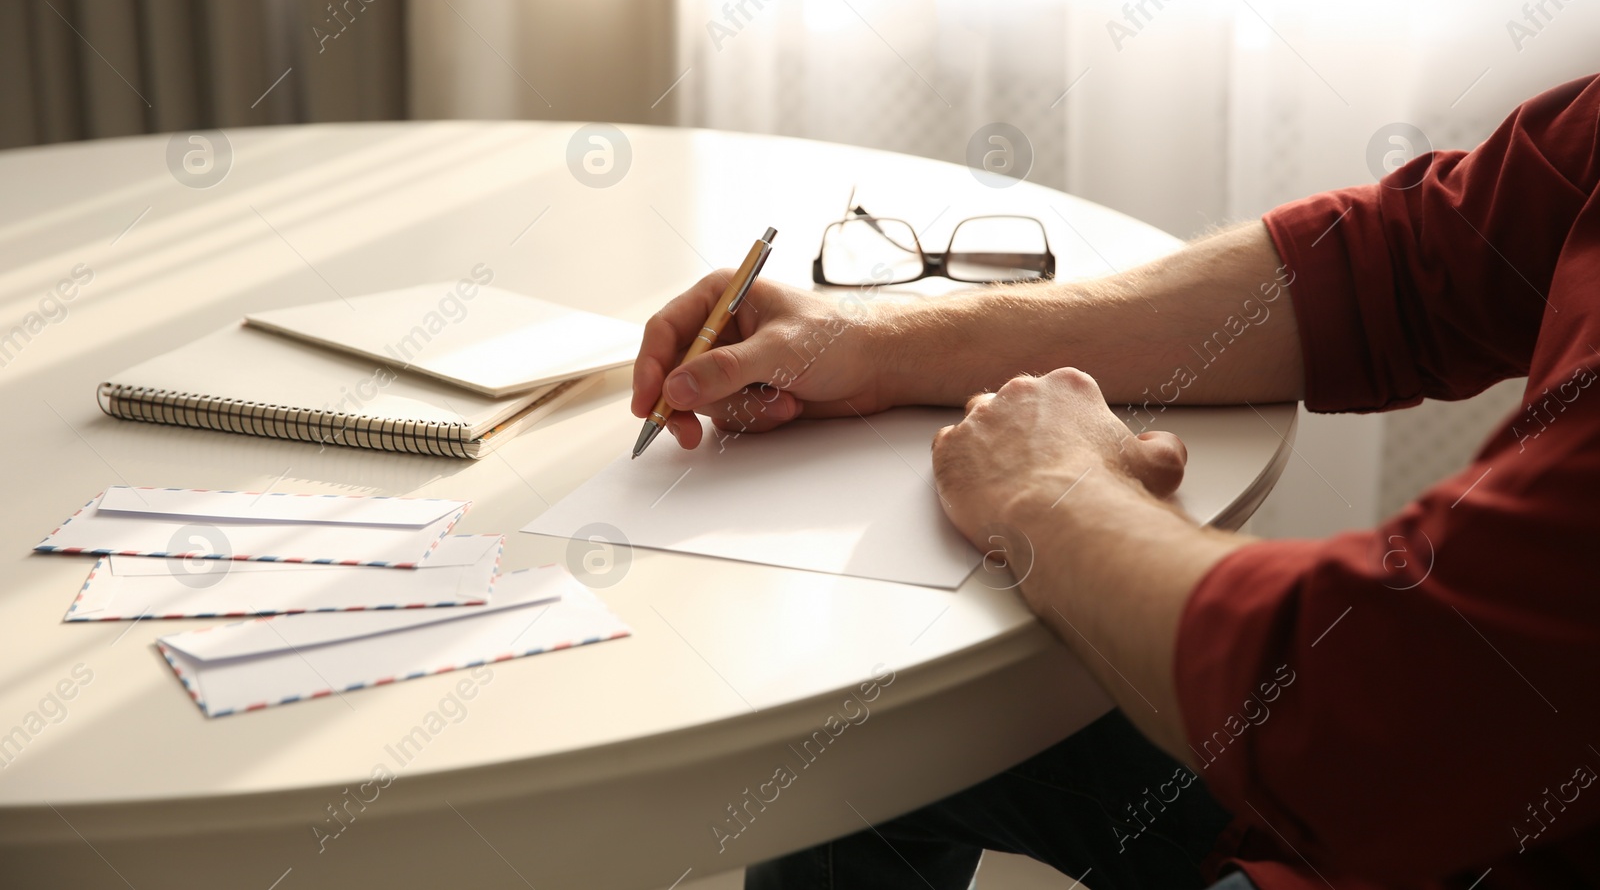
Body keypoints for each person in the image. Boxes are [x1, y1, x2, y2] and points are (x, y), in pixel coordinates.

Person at [631, 75, 1600, 890]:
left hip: (1423, 816)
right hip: (1406, 783)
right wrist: (875, 343)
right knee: (862, 735)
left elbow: (1371, 712)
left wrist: (1054, 492)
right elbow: (1380, 266)